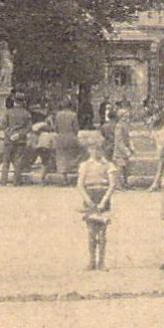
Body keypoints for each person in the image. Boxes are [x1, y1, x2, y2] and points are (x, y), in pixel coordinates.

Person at [76, 142, 117, 270]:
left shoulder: (109, 165)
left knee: (102, 232)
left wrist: (104, 200)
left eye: (98, 149)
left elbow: (112, 184)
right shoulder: (85, 166)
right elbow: (80, 184)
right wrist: (87, 199)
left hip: (102, 195)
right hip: (90, 196)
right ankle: (92, 260)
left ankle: (102, 261)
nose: (96, 152)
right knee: (91, 232)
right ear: (89, 150)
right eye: (93, 149)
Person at [0, 95, 33, 185]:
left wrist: (10, 134)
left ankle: (3, 181)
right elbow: (29, 128)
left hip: (9, 140)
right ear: (22, 102)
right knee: (18, 161)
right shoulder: (27, 114)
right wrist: (19, 135)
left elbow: (3, 125)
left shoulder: (8, 113)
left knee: (6, 160)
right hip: (20, 140)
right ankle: (16, 181)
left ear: (14, 102)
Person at [52, 99, 82, 180]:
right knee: (73, 155)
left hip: (60, 137)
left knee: (61, 156)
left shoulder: (58, 115)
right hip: (71, 136)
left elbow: (55, 128)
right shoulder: (73, 115)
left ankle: (64, 177)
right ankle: (74, 173)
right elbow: (76, 128)